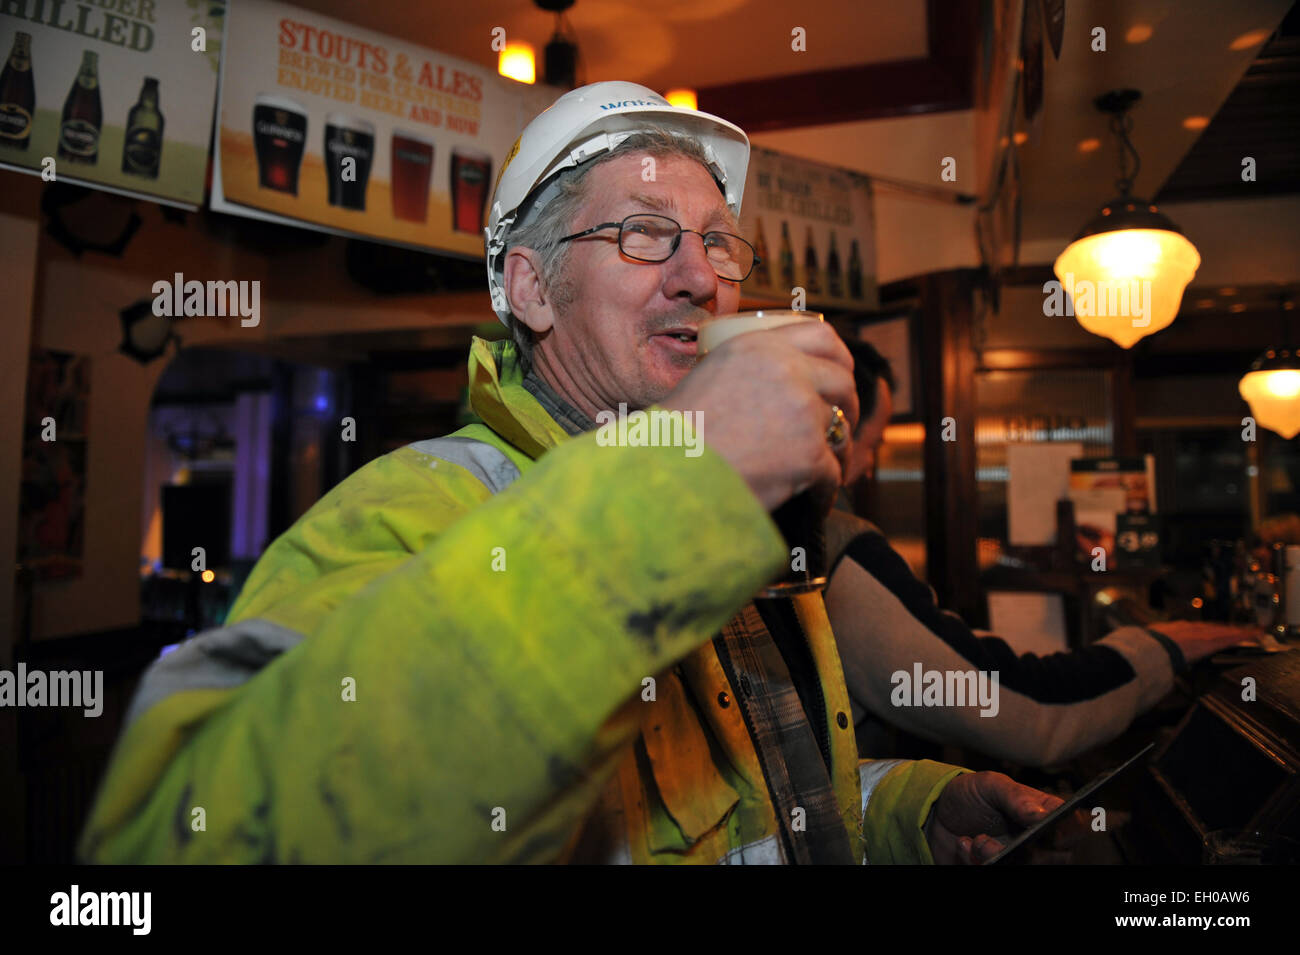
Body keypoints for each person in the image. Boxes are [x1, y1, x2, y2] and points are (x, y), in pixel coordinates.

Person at [80, 82, 1064, 865]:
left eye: (718, 240)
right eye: (642, 232)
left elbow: (745, 810)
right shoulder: (420, 503)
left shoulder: (741, 523)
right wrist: (682, 485)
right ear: (531, 287)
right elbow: (184, 835)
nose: (701, 274)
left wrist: (907, 813)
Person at [827, 340, 1256, 766]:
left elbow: (950, 657)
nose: (866, 466)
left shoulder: (812, 543)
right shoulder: (838, 550)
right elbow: (1018, 709)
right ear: (834, 432)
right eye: (873, 444)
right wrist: (1161, 647)